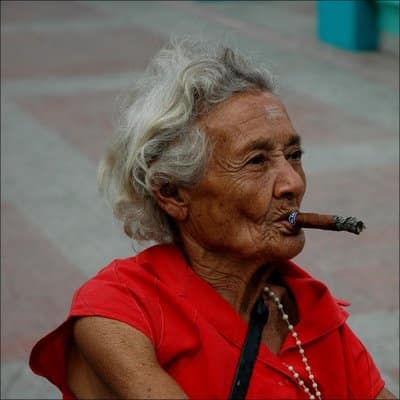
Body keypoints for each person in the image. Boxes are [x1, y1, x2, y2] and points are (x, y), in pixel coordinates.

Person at [29, 39, 396, 399]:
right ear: (173, 194)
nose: (293, 183)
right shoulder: (122, 310)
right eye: (256, 161)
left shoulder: (308, 307)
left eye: (294, 155)